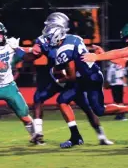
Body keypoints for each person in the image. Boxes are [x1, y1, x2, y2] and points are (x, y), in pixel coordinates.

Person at [20, 12, 113, 147]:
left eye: (51, 24)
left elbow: (77, 64)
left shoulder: (70, 41)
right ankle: (38, 134)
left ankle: (101, 136)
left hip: (70, 79)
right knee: (39, 98)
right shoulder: (44, 39)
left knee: (86, 107)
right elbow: (31, 57)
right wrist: (26, 52)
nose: (47, 27)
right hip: (56, 77)